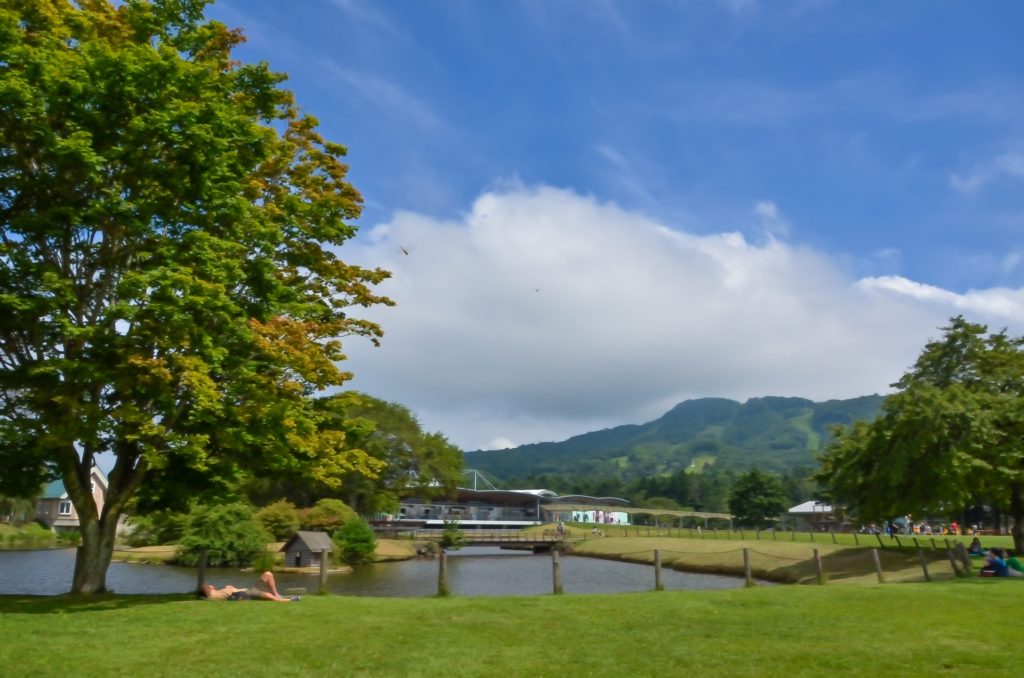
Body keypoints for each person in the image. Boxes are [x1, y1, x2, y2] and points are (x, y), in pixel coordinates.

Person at [200, 571, 299, 601]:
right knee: (269, 596)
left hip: (250, 590)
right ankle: (290, 599)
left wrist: (229, 587)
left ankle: (276, 593)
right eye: (210, 586)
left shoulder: (218, 591)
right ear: (209, 589)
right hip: (247, 594)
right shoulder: (211, 595)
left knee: (268, 574)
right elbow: (203, 586)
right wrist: (209, 588)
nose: (212, 585)